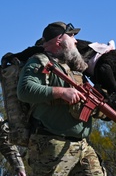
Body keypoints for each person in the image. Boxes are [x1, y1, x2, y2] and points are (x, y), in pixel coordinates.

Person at [17, 21, 106, 175]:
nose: (76, 40)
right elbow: (25, 90)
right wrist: (61, 92)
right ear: (59, 39)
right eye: (71, 36)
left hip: (82, 146)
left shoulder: (71, 68)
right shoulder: (40, 61)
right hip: (52, 146)